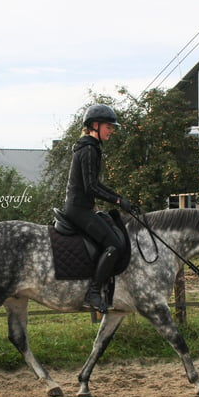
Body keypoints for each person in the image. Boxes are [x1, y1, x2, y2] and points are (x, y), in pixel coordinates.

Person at [63, 104, 135, 313]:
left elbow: (95, 184)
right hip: (78, 209)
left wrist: (119, 197)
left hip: (82, 207)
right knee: (113, 245)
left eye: (112, 127)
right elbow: (91, 187)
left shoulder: (91, 147)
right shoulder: (88, 149)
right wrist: (119, 202)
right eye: (109, 127)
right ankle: (92, 293)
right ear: (95, 125)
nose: (111, 131)